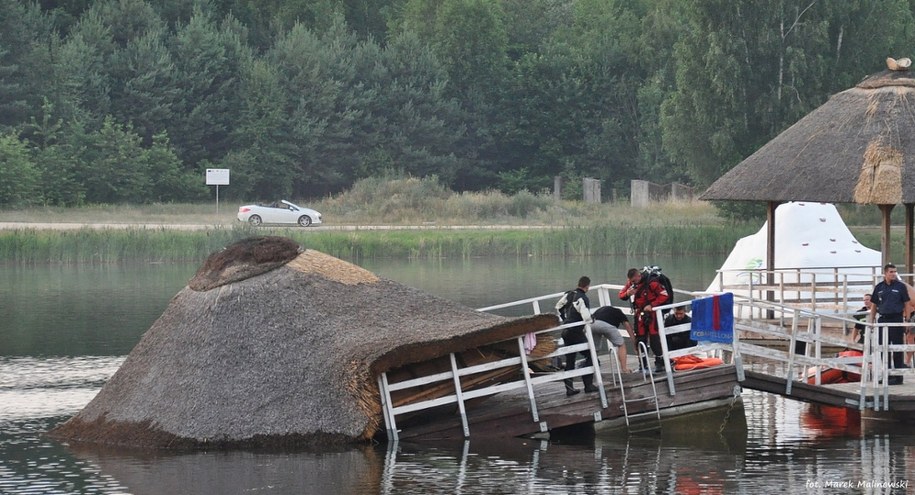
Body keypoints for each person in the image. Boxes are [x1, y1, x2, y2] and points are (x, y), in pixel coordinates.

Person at [619, 267, 670, 372]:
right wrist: (628, 293)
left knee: (654, 338)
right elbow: (621, 295)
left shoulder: (652, 283)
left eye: (634, 281)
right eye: (631, 281)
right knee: (640, 339)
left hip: (652, 313)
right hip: (639, 314)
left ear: (639, 276)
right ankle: (643, 364)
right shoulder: (631, 284)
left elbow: (664, 295)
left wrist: (652, 305)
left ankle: (659, 363)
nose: (633, 283)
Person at [870, 263, 909, 385]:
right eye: (891, 272)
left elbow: (907, 303)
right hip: (883, 320)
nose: (893, 274)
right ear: (885, 273)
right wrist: (871, 321)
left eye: (894, 272)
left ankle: (898, 377)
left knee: (897, 348)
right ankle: (887, 375)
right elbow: (874, 305)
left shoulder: (900, 286)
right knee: (883, 348)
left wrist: (907, 321)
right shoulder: (879, 287)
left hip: (896, 319)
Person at [560, 276, 599, 396]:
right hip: (576, 332)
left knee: (570, 360)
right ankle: (588, 385)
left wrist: (565, 320)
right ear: (587, 286)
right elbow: (586, 317)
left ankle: (569, 388)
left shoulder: (569, 294)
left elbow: (559, 307)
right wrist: (591, 319)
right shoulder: (583, 298)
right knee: (592, 356)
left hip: (566, 331)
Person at [590, 305, 632, 373]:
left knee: (594, 348)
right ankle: (624, 369)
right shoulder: (619, 312)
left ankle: (592, 368)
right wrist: (634, 340)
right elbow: (627, 326)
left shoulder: (601, 310)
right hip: (606, 325)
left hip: (593, 324)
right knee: (621, 345)